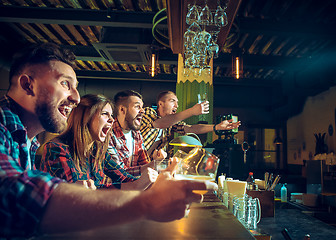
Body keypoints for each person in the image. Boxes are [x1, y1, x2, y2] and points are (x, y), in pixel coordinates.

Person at [0, 43, 217, 238]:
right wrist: (145, 203)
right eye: (65, 84)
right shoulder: (5, 127)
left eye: (75, 87)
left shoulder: (27, 143)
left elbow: (113, 183)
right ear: (28, 85)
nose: (76, 97)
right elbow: (11, 193)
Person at [40, 94, 157, 190]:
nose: (112, 120)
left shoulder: (97, 149)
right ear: (86, 116)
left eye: (111, 115)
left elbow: (123, 177)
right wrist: (135, 185)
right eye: (105, 114)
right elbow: (77, 194)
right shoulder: (56, 149)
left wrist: (153, 181)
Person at [140, 91, 241, 157]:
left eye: (177, 102)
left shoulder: (170, 123)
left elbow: (191, 128)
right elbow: (159, 124)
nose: (176, 105)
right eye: (172, 101)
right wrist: (192, 111)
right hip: (134, 163)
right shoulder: (148, 113)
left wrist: (217, 127)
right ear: (160, 104)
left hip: (149, 165)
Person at [108, 90, 166, 177]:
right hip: (113, 189)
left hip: (134, 187)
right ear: (122, 109)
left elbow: (144, 164)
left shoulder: (136, 134)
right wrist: (154, 163)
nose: (143, 111)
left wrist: (156, 161)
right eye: (137, 106)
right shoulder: (108, 134)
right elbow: (120, 173)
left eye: (142, 107)